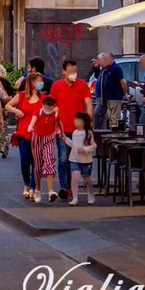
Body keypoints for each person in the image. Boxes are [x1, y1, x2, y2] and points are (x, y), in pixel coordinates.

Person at [49, 59, 93, 202]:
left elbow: (88, 102)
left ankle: (77, 185)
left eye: (75, 71)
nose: (73, 74)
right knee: (63, 159)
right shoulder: (56, 86)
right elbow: (52, 105)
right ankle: (65, 187)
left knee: (78, 159)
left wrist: (89, 117)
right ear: (64, 73)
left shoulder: (82, 85)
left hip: (79, 130)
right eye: (71, 72)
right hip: (62, 128)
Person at [6, 71, 46, 200]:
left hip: (39, 134)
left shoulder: (44, 98)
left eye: (42, 81)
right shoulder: (22, 96)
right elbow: (8, 105)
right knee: (25, 161)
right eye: (38, 81)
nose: (41, 84)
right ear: (31, 82)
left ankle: (34, 187)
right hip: (24, 134)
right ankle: (27, 184)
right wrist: (16, 110)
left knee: (37, 162)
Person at [29, 95, 64, 203]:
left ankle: (50, 191)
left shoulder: (55, 113)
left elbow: (59, 123)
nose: (48, 108)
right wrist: (30, 126)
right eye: (46, 105)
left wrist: (62, 133)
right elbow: (33, 120)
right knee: (38, 165)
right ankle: (38, 189)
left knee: (49, 161)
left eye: (50, 106)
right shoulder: (38, 112)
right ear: (43, 105)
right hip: (37, 138)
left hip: (49, 138)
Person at [68, 111, 97, 206]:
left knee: (87, 179)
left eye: (78, 120)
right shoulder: (75, 132)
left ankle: (91, 193)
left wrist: (85, 149)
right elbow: (73, 145)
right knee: (75, 178)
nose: (75, 122)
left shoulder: (88, 133)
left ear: (84, 122)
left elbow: (94, 145)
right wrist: (65, 139)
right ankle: (75, 197)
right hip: (74, 159)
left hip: (86, 160)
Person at [91, 53, 128, 130]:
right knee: (103, 115)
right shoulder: (105, 69)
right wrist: (96, 68)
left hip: (114, 96)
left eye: (101, 60)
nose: (101, 62)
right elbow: (98, 76)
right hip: (105, 97)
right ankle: (99, 131)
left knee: (114, 118)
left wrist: (124, 93)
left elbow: (123, 81)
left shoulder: (115, 68)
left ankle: (115, 134)